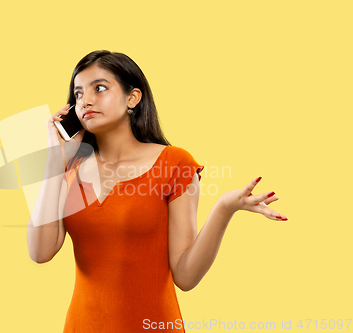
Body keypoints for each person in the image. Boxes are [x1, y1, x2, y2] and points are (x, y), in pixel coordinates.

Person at [27, 50, 288, 332]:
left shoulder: (175, 163)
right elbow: (40, 252)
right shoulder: (70, 170)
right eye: (78, 94)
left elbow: (186, 276)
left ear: (132, 98)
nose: (85, 100)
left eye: (99, 88)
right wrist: (55, 161)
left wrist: (224, 207)